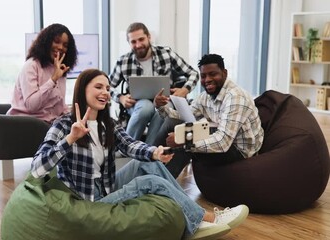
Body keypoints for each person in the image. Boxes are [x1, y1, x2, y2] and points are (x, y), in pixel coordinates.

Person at [31, 68, 249, 239]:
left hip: (107, 187)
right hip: (87, 203)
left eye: (107, 88)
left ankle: (197, 217)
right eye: (98, 87)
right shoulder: (63, 125)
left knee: (153, 166)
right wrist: (70, 139)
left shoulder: (109, 124)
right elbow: (38, 168)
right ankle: (204, 218)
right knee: (151, 182)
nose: (105, 92)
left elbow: (130, 145)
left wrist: (154, 152)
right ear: (82, 89)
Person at [153, 54, 265, 178]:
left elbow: (223, 142)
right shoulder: (205, 97)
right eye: (203, 76)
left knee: (184, 141)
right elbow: (181, 116)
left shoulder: (235, 98)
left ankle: (161, 184)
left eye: (213, 74)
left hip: (239, 150)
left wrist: (182, 141)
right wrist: (160, 107)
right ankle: (149, 162)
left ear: (225, 73)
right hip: (219, 135)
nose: (207, 80)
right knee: (171, 123)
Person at [109, 22, 199, 144]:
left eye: (141, 39)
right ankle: (126, 145)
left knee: (163, 110)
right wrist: (121, 98)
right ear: (129, 43)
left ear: (149, 37)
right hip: (139, 104)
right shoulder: (123, 61)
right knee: (146, 108)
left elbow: (193, 73)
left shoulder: (166, 53)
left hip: (165, 101)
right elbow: (108, 86)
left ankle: (150, 151)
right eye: (133, 42)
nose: (138, 45)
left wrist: (184, 90)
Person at [7, 23, 78, 125]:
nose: (60, 47)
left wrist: (75, 113)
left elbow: (59, 107)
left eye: (65, 45)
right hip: (26, 125)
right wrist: (53, 79)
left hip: (48, 124)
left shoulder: (59, 68)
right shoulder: (31, 65)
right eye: (56, 42)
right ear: (47, 42)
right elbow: (32, 106)